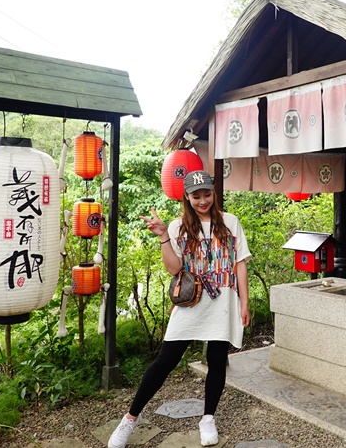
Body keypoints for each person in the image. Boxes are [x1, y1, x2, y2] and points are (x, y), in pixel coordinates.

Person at [107, 170, 251, 448]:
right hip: (191, 300)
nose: (203, 201)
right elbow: (174, 269)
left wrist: (244, 302)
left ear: (214, 193)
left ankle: (208, 417)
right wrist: (163, 236)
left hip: (223, 300)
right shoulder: (177, 226)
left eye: (207, 194)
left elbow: (240, 262)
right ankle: (129, 419)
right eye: (196, 196)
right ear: (187, 197)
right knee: (165, 361)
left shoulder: (231, 222)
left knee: (217, 360)